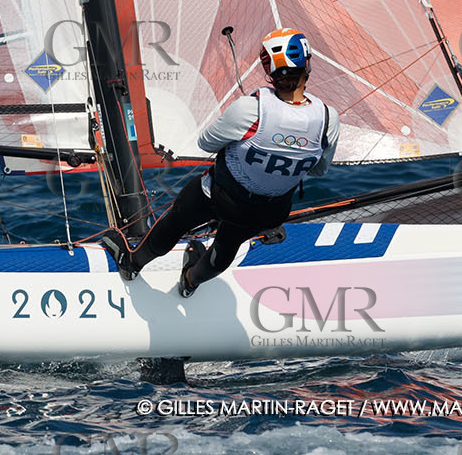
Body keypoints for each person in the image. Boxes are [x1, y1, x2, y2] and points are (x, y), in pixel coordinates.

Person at [101, 28, 339, 296]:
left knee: (176, 222)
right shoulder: (328, 119)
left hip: (220, 197)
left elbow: (205, 143)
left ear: (268, 70)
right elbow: (319, 169)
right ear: (307, 64)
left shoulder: (250, 109)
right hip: (270, 212)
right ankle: (190, 281)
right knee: (228, 245)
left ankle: (131, 263)